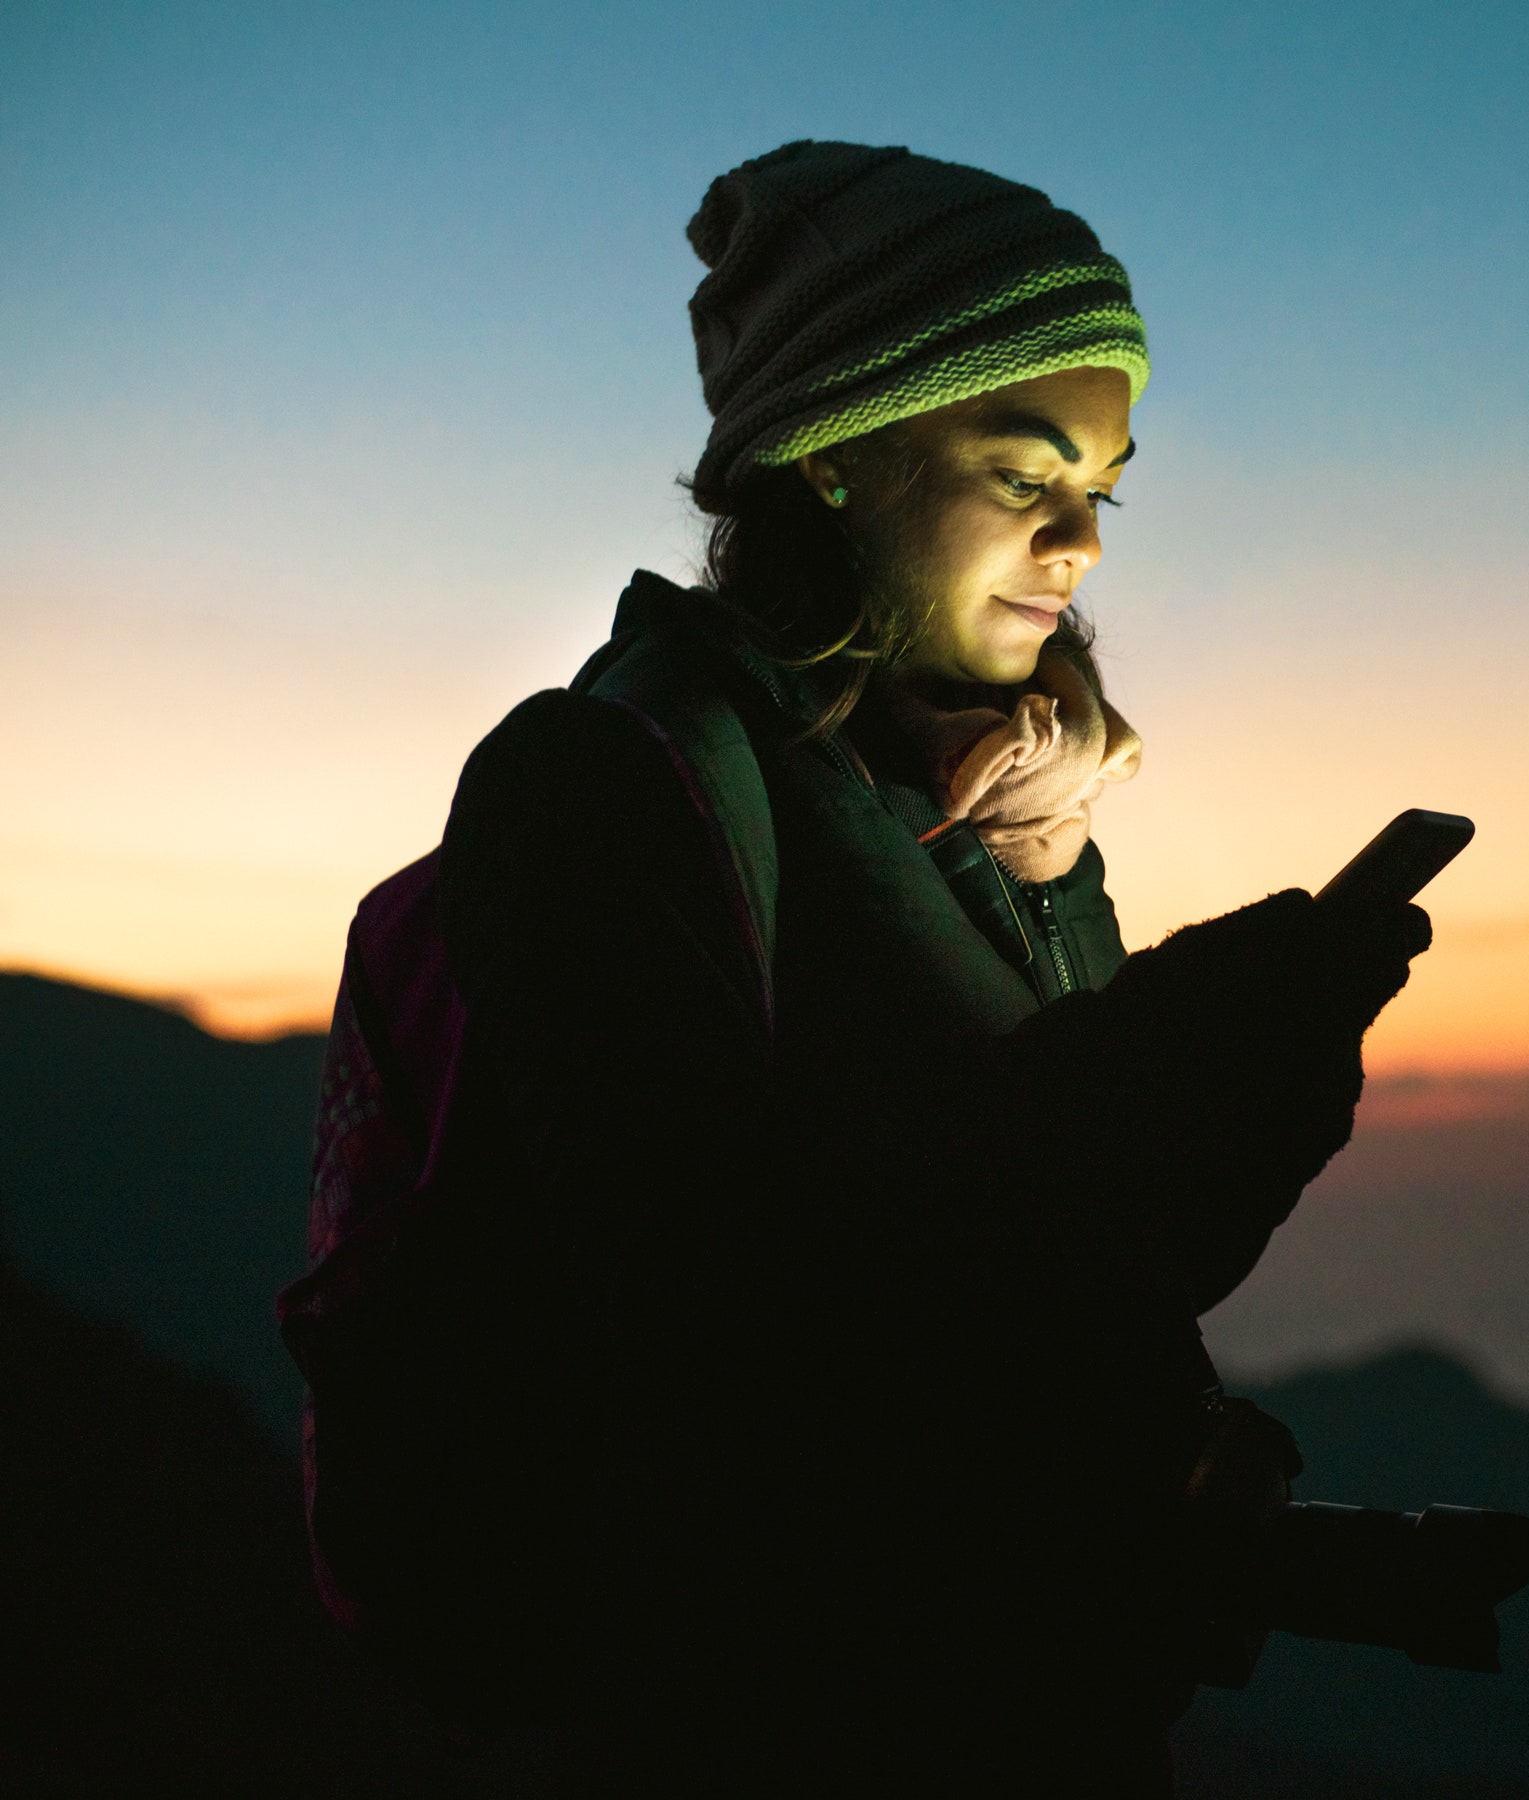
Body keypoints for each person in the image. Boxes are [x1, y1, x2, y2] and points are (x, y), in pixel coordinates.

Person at [417, 140, 1429, 1794]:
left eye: (1106, 483)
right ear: (832, 451)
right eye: (1029, 471)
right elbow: (743, 1357)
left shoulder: (946, 791)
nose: (1086, 538)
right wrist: (1223, 1049)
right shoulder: (611, 786)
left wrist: (1043, 879)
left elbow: (1023, 1231)